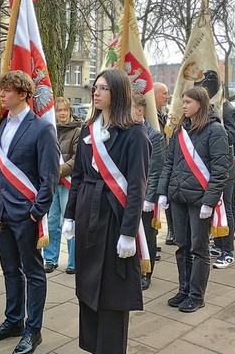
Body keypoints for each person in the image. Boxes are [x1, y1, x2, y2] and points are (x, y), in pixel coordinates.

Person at [62, 68, 150, 353]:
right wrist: (70, 215)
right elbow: (77, 177)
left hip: (114, 217)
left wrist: (128, 233)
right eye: (95, 87)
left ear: (118, 93)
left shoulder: (134, 135)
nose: (95, 92)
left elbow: (136, 188)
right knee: (88, 284)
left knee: (112, 291)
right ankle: (93, 346)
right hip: (89, 215)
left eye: (103, 88)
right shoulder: (89, 130)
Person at [0, 70, 60, 354]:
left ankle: (33, 329)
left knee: (33, 273)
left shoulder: (41, 128)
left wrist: (37, 211)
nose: (1, 95)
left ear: (24, 93)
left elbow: (49, 176)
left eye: (7, 90)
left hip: (25, 214)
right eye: (1, 89)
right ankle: (13, 320)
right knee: (9, 270)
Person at [157, 86, 228, 312]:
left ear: (200, 103)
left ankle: (197, 295)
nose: (183, 105)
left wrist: (210, 201)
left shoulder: (215, 130)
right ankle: (184, 289)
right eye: (183, 101)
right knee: (182, 246)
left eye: (188, 102)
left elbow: (220, 170)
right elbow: (169, 163)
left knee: (199, 249)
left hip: (199, 200)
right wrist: (162, 192)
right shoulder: (181, 129)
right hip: (178, 197)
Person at [43, 97, 80, 274]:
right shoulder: (49, 130)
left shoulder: (77, 131)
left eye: (65, 110)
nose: (62, 113)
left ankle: (73, 262)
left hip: (68, 184)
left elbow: (77, 158)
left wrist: (58, 171)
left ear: (70, 111)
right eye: (59, 110)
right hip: (52, 185)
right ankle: (50, 259)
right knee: (51, 223)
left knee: (69, 222)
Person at [132, 91, 165, 289]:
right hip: (129, 194)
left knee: (148, 236)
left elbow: (156, 169)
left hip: (146, 196)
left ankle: (147, 271)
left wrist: (149, 199)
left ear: (140, 110)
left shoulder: (153, 134)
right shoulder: (127, 130)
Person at [211, 99, 235, 269]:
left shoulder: (228, 110)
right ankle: (218, 244)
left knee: (227, 208)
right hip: (212, 166)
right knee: (216, 207)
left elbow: (232, 137)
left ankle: (228, 250)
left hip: (225, 168)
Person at [153, 82, 173, 246]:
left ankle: (171, 231)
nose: (167, 97)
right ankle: (151, 238)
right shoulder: (148, 115)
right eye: (164, 93)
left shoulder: (166, 114)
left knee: (166, 200)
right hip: (153, 164)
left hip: (166, 163)